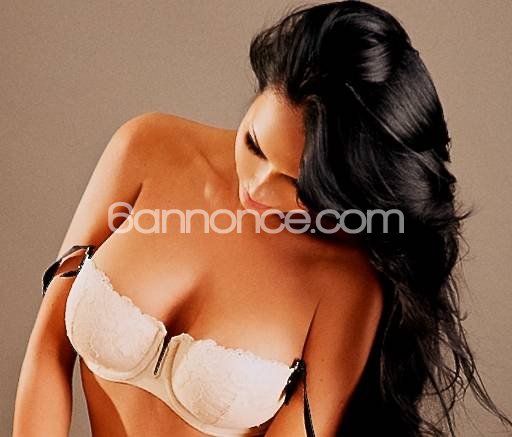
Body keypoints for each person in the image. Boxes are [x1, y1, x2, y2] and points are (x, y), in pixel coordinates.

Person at [13, 1, 512, 436]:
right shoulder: (148, 146)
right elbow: (48, 350)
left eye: (299, 187)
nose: (256, 187)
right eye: (254, 144)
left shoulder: (348, 286)